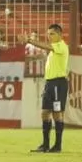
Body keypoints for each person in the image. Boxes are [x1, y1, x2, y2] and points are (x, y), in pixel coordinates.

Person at [26, 24, 70, 153]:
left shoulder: (61, 46)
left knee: (57, 113)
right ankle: (45, 145)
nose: (49, 36)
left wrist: (29, 40)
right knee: (45, 113)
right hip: (50, 83)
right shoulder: (54, 50)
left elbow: (46, 46)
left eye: (52, 34)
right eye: (48, 34)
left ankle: (57, 145)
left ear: (60, 35)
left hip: (58, 83)